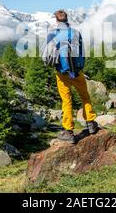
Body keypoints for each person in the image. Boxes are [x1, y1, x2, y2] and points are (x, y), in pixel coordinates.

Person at [42, 9, 98, 144]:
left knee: (66, 100)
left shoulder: (52, 34)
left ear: (56, 20)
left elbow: (44, 56)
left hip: (62, 73)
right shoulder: (76, 33)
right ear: (67, 19)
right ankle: (90, 123)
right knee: (85, 96)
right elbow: (82, 53)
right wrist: (79, 68)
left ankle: (69, 132)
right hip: (77, 72)